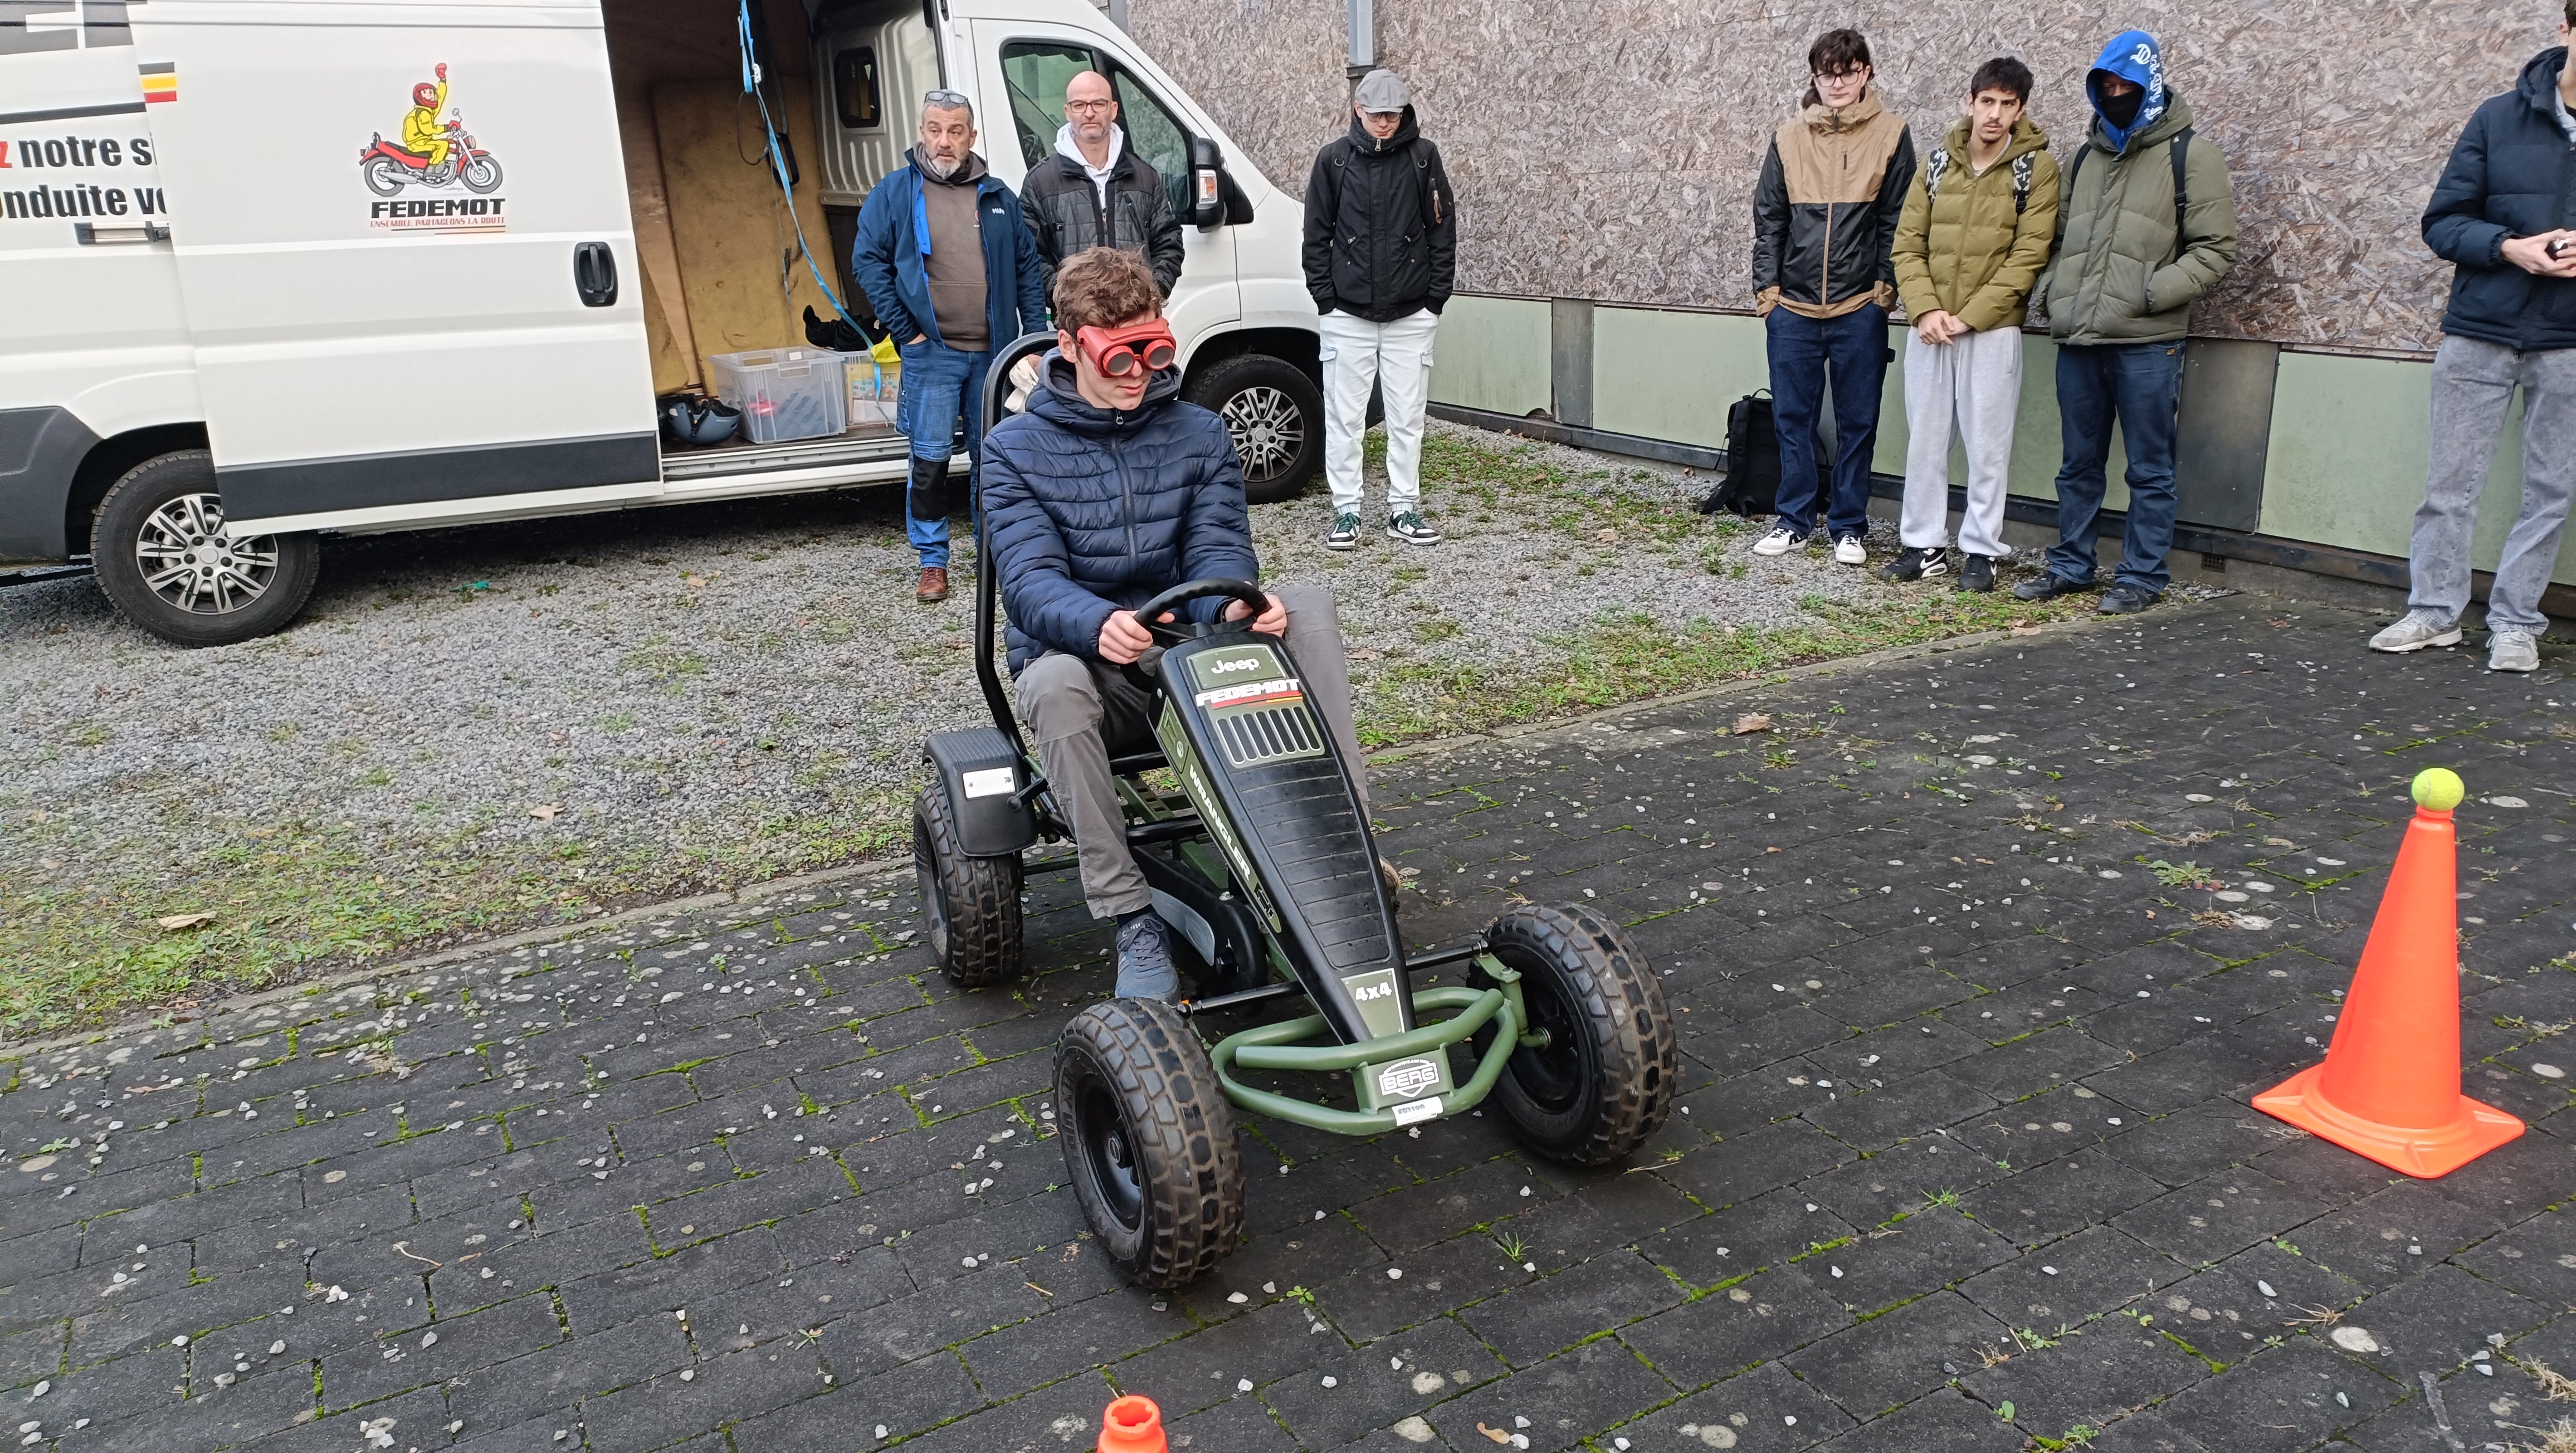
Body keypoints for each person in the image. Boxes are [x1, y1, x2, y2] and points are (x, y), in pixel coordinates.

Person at [982, 248, 1375, 1000]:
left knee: (1310, 609)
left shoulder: (1196, 432)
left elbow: (1218, 546)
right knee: (1056, 684)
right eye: (1117, 357)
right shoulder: (1013, 452)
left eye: (1152, 352)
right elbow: (1029, 584)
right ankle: (1131, 915)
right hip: (1095, 668)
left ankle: (1344, 856)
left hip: (1188, 657)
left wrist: (1234, 604)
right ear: (1068, 346)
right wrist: (1098, 623)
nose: (1138, 373)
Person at [2370, 8, 2576, 672]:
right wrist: (2509, 247)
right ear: (2566, 28)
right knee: (2448, 486)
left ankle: (2516, 623)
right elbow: (2442, 222)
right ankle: (2433, 613)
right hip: (2481, 330)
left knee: (2550, 490)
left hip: (2569, 339)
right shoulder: (2497, 117)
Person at [2016, 31, 2237, 615]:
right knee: (2077, 465)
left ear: (2149, 85)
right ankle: (2071, 566)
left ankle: (2141, 576)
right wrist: (2055, 293)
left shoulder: (2191, 154)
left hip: (2147, 342)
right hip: (2080, 339)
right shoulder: (2084, 157)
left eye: (2125, 86)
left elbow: (2216, 249)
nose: (2114, 95)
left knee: (2149, 469)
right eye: (2105, 86)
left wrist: (2149, 293)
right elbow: (2060, 241)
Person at [852, 89, 1048, 605]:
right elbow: (868, 264)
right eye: (935, 129)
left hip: (996, 354)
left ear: (972, 137)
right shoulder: (895, 193)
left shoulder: (999, 197)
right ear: (922, 132)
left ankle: (995, 554)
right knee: (931, 459)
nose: (945, 141)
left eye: (955, 131)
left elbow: (1028, 271)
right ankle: (933, 561)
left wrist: (1030, 341)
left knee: (996, 459)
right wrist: (907, 332)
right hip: (931, 353)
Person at [1884, 58, 2057, 594]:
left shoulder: (2037, 168)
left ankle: (1982, 550)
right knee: (1926, 442)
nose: (1996, 114)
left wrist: (1970, 316)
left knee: (1988, 446)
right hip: (1931, 327)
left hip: (1992, 330)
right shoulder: (1937, 163)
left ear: (2021, 109)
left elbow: (2030, 255)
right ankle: (1924, 545)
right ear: (1971, 101)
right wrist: (1926, 310)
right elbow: (1907, 244)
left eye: (2008, 104)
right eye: (1988, 101)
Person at [1750, 28, 1915, 567]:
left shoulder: (1893, 134)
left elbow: (1898, 221)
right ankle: (1794, 519)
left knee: (1857, 423)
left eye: (1848, 71)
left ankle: (1848, 526)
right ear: (1815, 77)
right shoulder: (1787, 137)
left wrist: (1883, 293)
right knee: (1791, 420)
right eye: (1828, 72)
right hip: (1792, 309)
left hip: (1858, 309)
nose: (1838, 82)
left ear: (1866, 72)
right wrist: (1767, 292)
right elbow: (1769, 220)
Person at [1302, 67, 1457, 551]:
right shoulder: (1333, 161)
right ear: (1358, 110)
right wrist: (1326, 302)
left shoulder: (1423, 157)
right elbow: (1316, 235)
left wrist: (1434, 301)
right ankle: (1346, 511)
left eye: (1393, 114)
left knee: (1407, 414)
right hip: (1346, 314)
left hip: (1411, 314)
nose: (1385, 123)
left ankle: (1404, 507)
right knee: (1344, 416)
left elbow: (1441, 228)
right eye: (1376, 115)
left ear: (1404, 112)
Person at [1021, 70, 1185, 303]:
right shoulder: (1040, 182)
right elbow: (1030, 255)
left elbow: (1169, 243)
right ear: (1068, 112)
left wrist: (1148, 297)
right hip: (1076, 325)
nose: (1089, 113)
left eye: (1098, 103)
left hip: (1137, 321)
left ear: (1114, 109)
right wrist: (1070, 301)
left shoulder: (1145, 177)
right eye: (1079, 105)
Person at [404, 63, 450, 167]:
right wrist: (447, 128)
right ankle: (433, 167)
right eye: (426, 93)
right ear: (420, 97)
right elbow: (428, 130)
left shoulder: (429, 110)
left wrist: (442, 79)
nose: (431, 94)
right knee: (443, 145)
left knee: (444, 142)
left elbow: (441, 97)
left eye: (432, 92)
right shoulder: (423, 113)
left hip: (423, 141)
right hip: (417, 143)